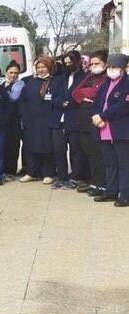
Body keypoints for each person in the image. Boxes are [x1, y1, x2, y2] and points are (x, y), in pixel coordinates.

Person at [90, 53, 129, 207]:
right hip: (104, 129)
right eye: (110, 67)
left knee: (124, 163)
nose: (111, 70)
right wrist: (95, 115)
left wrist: (103, 116)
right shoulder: (106, 83)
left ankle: (125, 194)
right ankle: (111, 191)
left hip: (120, 129)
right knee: (110, 162)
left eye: (115, 67)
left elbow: (123, 106)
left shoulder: (127, 83)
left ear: (123, 68)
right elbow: (97, 102)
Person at [71, 50, 108, 196]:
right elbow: (75, 92)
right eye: (91, 64)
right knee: (88, 152)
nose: (93, 66)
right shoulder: (89, 76)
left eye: (97, 63)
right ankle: (93, 181)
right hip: (83, 120)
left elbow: (96, 94)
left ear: (105, 63)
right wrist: (84, 95)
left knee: (98, 153)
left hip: (97, 121)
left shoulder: (106, 78)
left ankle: (102, 184)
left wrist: (86, 94)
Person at [49, 50, 88, 190]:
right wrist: (61, 103)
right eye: (65, 63)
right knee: (58, 149)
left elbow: (83, 95)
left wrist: (70, 102)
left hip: (75, 118)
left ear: (77, 61)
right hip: (58, 118)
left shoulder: (84, 77)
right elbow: (53, 97)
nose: (68, 65)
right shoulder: (60, 78)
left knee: (76, 150)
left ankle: (76, 177)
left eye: (70, 62)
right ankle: (62, 177)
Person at [18, 56, 56, 185]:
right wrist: (24, 117)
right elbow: (22, 101)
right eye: (38, 67)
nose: (41, 70)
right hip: (31, 121)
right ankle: (32, 172)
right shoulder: (30, 83)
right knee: (30, 147)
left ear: (49, 67)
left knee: (47, 147)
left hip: (48, 121)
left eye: (43, 67)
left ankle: (48, 173)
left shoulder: (55, 82)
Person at [2, 61, 25, 182]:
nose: (13, 75)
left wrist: (3, 93)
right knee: (3, 146)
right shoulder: (2, 84)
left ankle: (10, 171)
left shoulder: (20, 84)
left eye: (16, 73)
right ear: (6, 73)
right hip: (4, 120)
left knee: (13, 146)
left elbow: (14, 97)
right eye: (11, 72)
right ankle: (3, 170)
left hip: (15, 120)